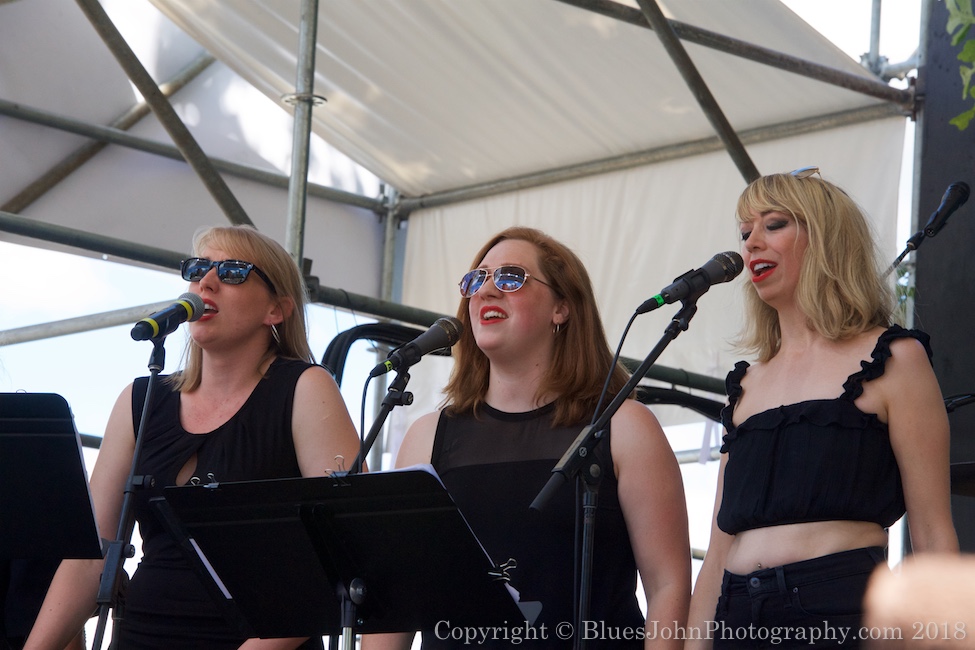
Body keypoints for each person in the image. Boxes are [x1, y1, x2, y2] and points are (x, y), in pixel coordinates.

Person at [25, 225, 362, 650]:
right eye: (198, 268)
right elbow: (90, 556)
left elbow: (344, 551)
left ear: (276, 310)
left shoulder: (306, 388)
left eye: (234, 271)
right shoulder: (140, 398)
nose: (207, 281)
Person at [362, 226, 691, 649]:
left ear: (562, 308)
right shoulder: (427, 436)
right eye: (476, 280)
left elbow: (668, 586)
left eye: (511, 277)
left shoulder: (624, 426)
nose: (486, 292)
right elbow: (398, 597)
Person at [686, 168, 959, 649]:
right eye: (745, 232)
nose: (751, 244)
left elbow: (933, 534)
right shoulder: (748, 382)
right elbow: (719, 546)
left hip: (839, 610)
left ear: (826, 238)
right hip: (736, 613)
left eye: (774, 225)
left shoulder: (893, 360)